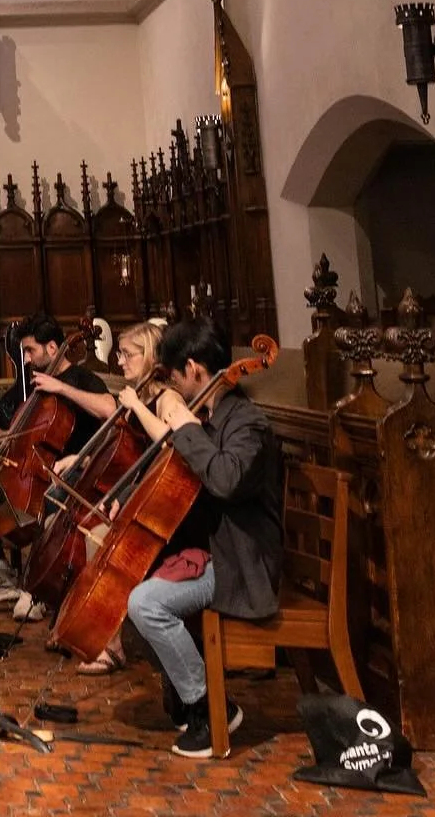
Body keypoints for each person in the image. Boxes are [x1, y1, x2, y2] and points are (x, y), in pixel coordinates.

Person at [120, 318, 283, 759]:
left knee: (146, 604)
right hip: (219, 552)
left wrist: (183, 425)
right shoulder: (214, 416)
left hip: (244, 564)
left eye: (174, 378)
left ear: (193, 369)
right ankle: (186, 692)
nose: (173, 388)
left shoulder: (248, 423)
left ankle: (210, 709)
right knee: (128, 587)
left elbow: (226, 481)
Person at [0, 313, 111, 616]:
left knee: (51, 498)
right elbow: (32, 434)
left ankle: (39, 585)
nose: (26, 359)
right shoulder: (36, 385)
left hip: (73, 471)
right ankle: (0, 570)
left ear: (54, 348)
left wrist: (63, 389)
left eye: (31, 350)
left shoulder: (83, 380)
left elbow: (110, 409)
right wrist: (1, 433)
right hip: (34, 469)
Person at [53, 320, 163, 675]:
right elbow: (119, 451)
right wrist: (82, 458)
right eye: (120, 353)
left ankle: (111, 644)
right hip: (134, 492)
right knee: (84, 528)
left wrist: (135, 405)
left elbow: (168, 445)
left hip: (153, 501)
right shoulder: (139, 395)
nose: (121, 361)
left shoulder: (164, 398)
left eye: (128, 354)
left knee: (98, 537)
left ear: (149, 356)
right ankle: (81, 627)